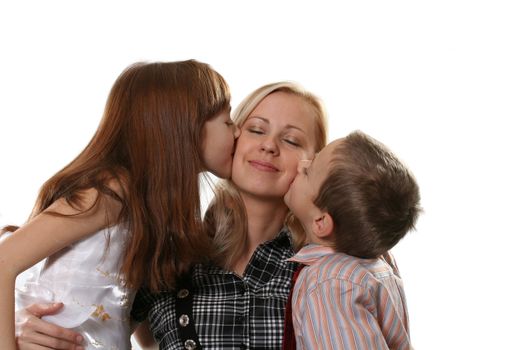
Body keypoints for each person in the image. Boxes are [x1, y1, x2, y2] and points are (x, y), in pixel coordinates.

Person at [15, 81, 328, 350]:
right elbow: (94, 319)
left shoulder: (326, 266)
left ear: (314, 163)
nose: (269, 145)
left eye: (291, 140)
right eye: (256, 129)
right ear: (232, 139)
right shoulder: (169, 252)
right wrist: (27, 325)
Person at [0, 59, 240, 350]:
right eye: (228, 121)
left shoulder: (150, 208)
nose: (237, 132)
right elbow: (4, 261)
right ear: (185, 126)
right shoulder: (113, 192)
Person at [282, 131, 421, 350]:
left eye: (308, 171)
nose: (301, 164)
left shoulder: (330, 284)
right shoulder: (381, 264)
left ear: (321, 222)